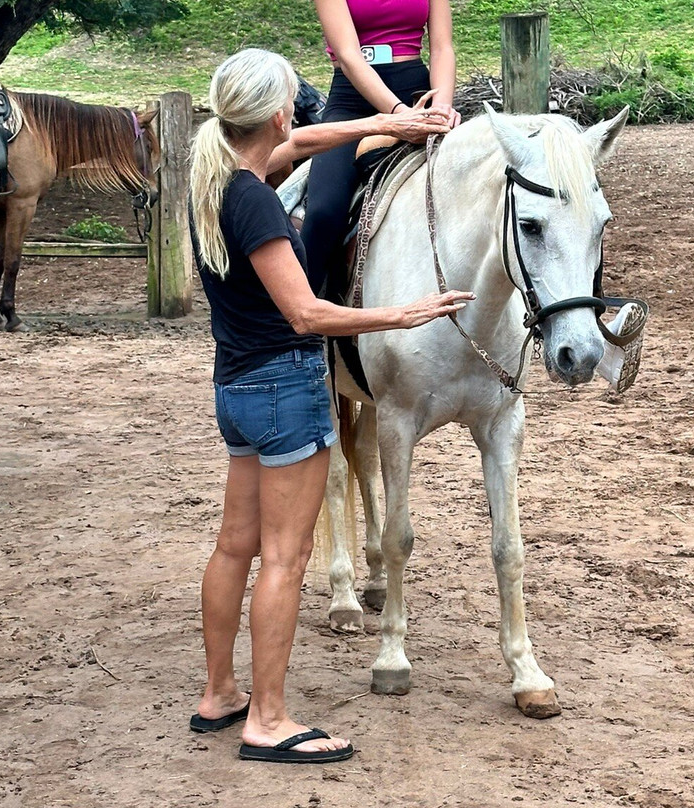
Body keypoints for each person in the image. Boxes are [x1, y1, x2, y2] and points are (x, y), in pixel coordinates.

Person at [186, 48, 473, 765]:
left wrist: (380, 125)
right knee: (286, 558)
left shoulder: (216, 173)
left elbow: (307, 143)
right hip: (285, 386)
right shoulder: (254, 201)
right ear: (278, 111)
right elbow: (308, 315)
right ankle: (270, 720)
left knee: (234, 547)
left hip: (237, 386)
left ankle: (220, 693)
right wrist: (400, 315)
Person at [302, 0, 460, 294]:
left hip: (418, 95)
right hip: (353, 100)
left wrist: (441, 108)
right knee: (324, 211)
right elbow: (349, 57)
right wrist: (400, 116)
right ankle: (293, 327)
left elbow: (442, 48)